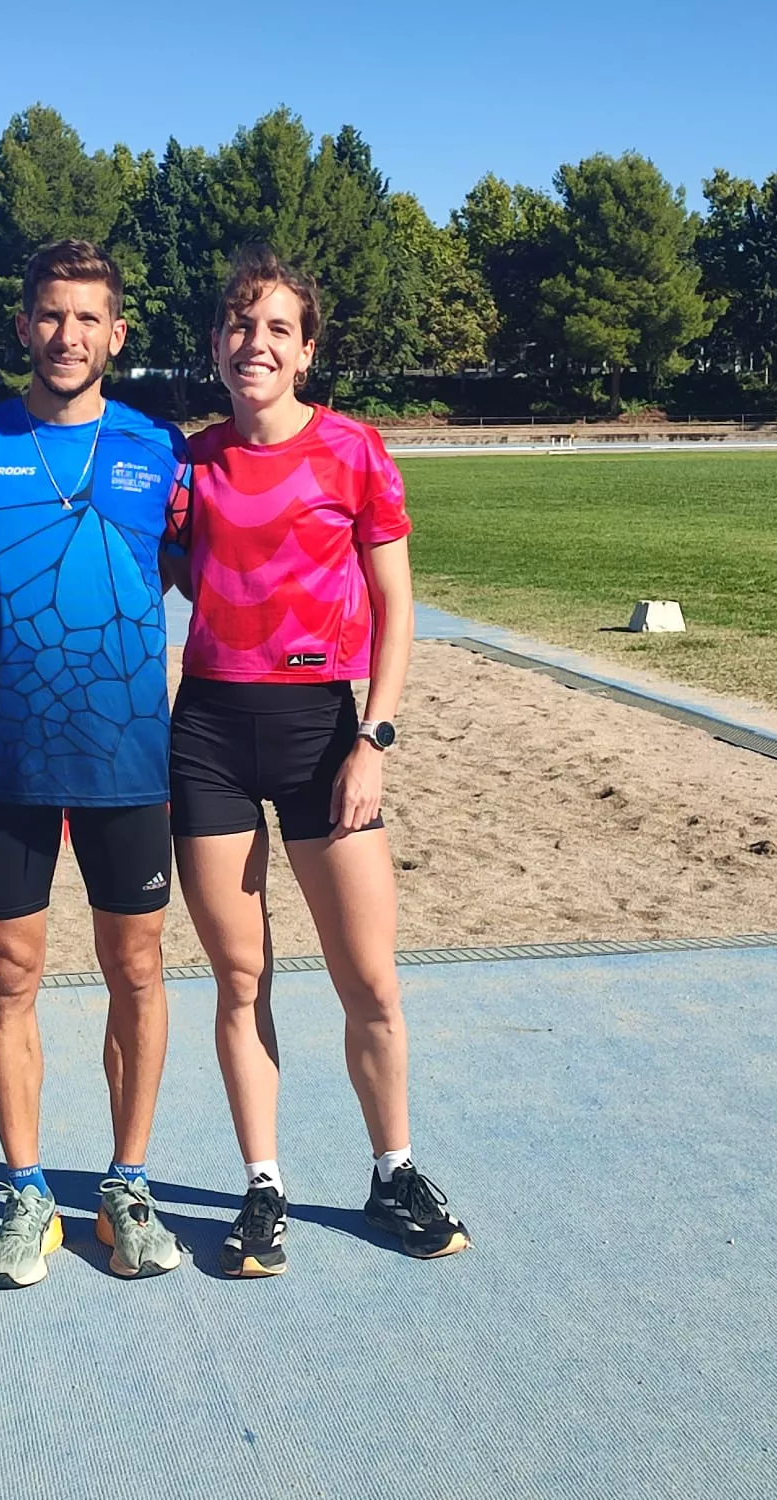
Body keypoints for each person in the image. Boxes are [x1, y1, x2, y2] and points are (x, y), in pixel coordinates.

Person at [169, 244, 471, 1278]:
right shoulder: (190, 464)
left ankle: (392, 1170)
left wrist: (372, 739)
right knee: (240, 978)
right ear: (216, 344)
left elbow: (396, 606)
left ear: (306, 350)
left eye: (277, 329)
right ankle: (263, 1187)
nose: (254, 344)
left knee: (370, 982)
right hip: (208, 736)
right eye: (238, 325)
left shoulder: (353, 451)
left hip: (323, 737)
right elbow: (166, 577)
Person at [0, 239, 188, 1288]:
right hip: (6, 759)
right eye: (49, 314)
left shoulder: (159, 446)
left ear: (116, 334)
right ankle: (27, 1189)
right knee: (9, 974)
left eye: (87, 318)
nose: (66, 335)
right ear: (22, 325)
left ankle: (126, 1184)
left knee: (137, 968)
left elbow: (193, 571)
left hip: (127, 755)